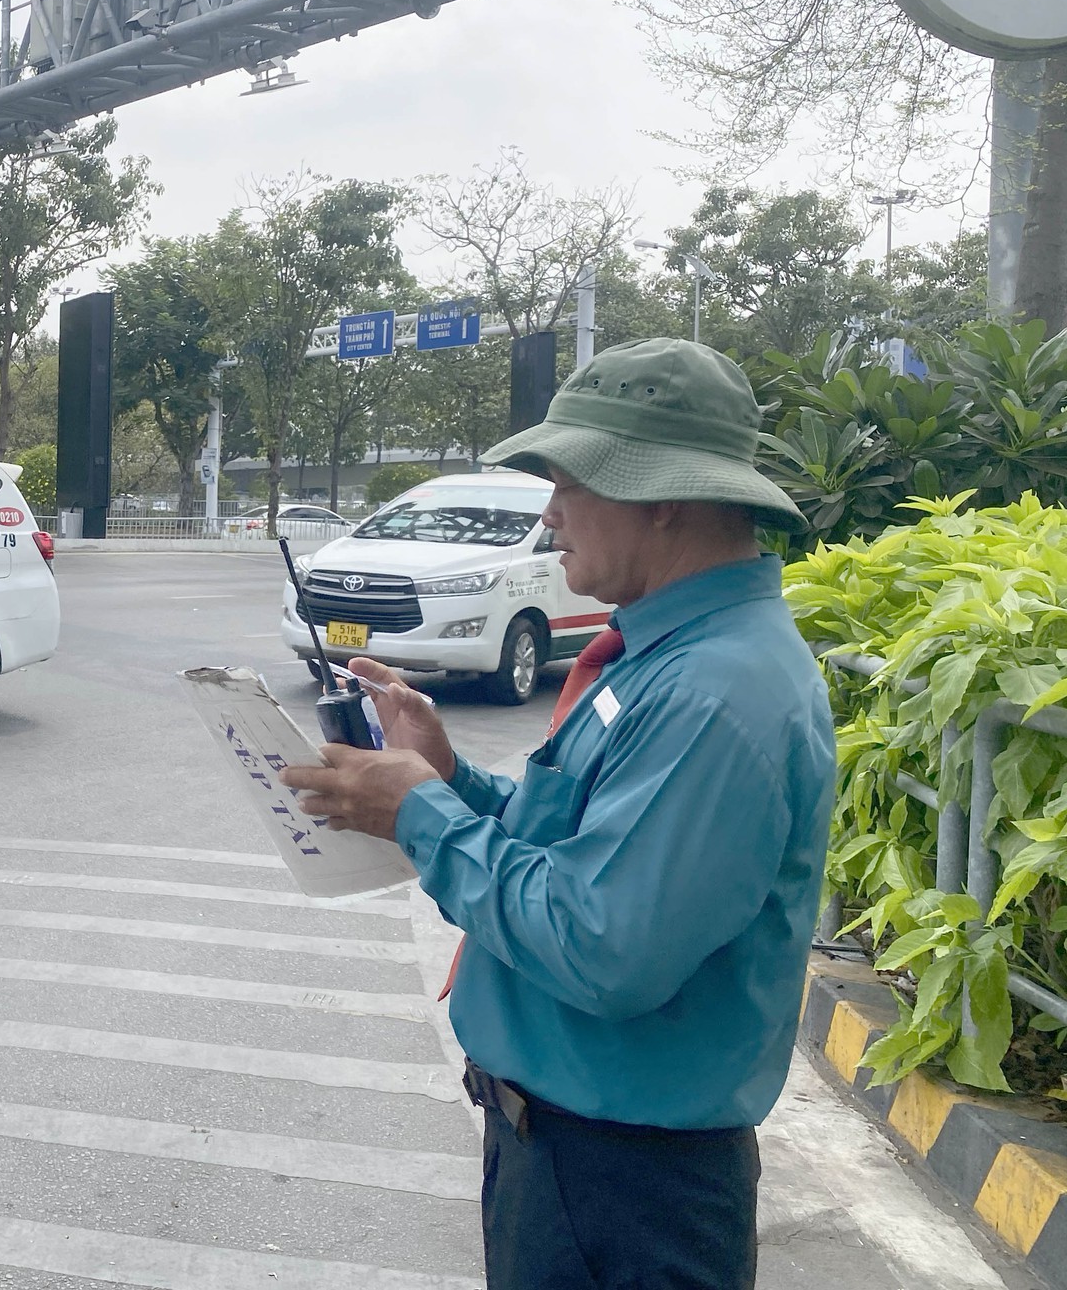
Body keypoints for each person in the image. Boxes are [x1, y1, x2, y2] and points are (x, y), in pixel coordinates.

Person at [282, 338, 835, 1290]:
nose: (551, 515)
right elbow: (580, 850)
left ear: (661, 494)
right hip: (575, 1162)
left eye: (569, 482)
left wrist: (421, 812)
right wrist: (446, 772)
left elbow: (601, 942)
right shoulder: (671, 657)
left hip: (625, 1188)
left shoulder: (716, 691)